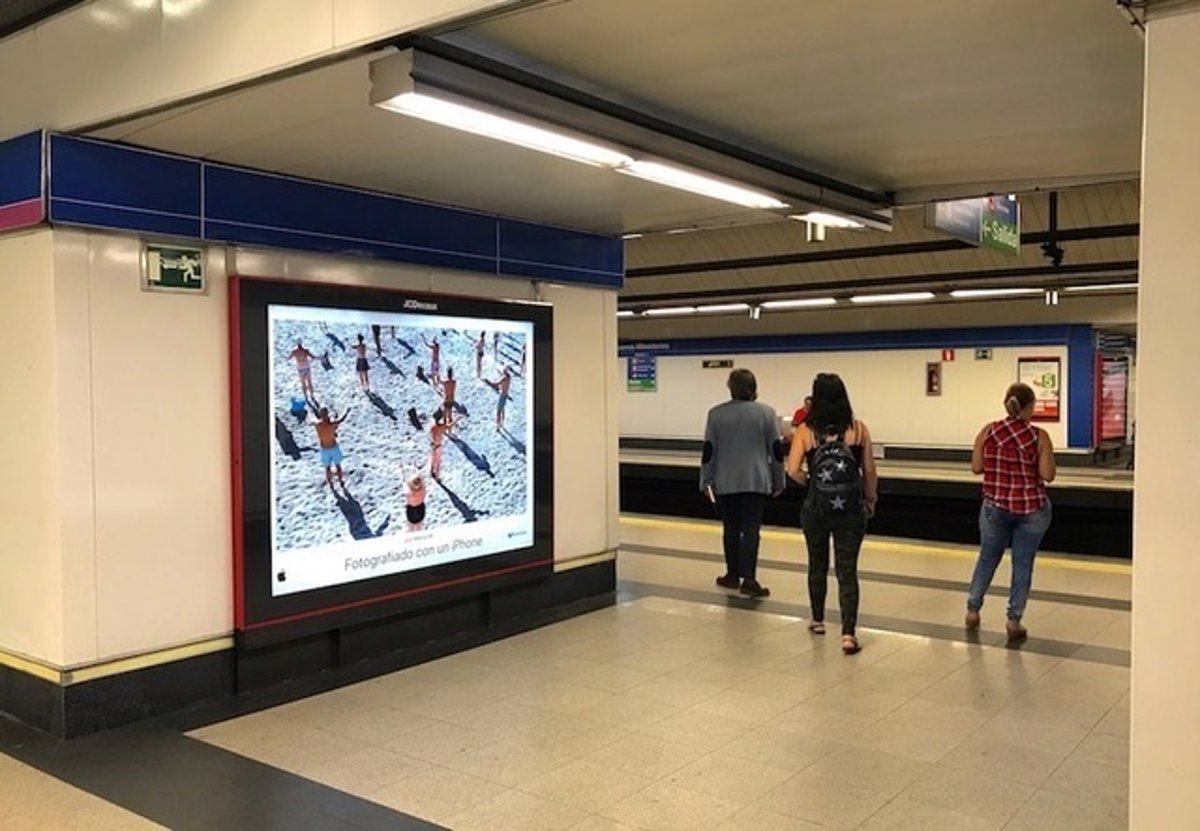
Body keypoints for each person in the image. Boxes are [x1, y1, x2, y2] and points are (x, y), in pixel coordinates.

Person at [787, 373, 878, 654]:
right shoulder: (858, 430)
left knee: (817, 563)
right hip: (850, 510)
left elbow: (792, 470)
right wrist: (870, 499)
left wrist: (812, 482)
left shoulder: (806, 431)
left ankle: (817, 620)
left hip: (816, 509)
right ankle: (848, 634)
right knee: (847, 570)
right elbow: (869, 470)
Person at [965, 382, 1056, 643]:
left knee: (987, 558)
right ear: (1030, 407)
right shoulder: (1039, 436)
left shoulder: (988, 431)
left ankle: (973, 610)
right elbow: (1048, 475)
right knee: (1023, 564)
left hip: (995, 508)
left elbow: (976, 467)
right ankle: (1014, 620)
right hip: (1031, 510)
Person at [699, 368, 785, 599]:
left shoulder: (716, 414)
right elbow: (776, 451)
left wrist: (706, 481)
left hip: (725, 481)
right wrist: (779, 480)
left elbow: (709, 451)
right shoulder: (767, 413)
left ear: (731, 388)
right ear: (753, 387)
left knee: (730, 528)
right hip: (756, 481)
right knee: (751, 530)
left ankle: (732, 575)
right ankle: (749, 579)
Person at [312, 407, 350, 489]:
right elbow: (341, 420)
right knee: (338, 466)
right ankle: (341, 481)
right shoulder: (332, 424)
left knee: (327, 468)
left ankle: (331, 484)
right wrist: (346, 412)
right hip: (333, 447)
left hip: (324, 449)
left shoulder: (317, 425)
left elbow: (311, 420)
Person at [493, 366, 512, 431]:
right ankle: (502, 424)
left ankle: (498, 427)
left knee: (498, 411)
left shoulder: (504, 378)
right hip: (505, 395)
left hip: (502, 395)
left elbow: (497, 384)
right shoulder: (509, 377)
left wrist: (489, 382)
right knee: (503, 409)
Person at [430, 411, 448, 479]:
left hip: (433, 444)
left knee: (433, 459)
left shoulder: (433, 427)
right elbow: (448, 426)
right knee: (438, 461)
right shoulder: (441, 426)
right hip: (438, 445)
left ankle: (432, 471)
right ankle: (437, 476)